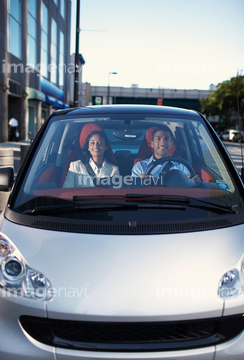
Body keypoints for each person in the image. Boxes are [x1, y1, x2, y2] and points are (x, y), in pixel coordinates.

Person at [131, 125, 201, 183]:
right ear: (152, 144)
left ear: (171, 144)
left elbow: (188, 190)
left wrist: (193, 182)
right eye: (158, 139)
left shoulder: (181, 166)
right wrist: (139, 182)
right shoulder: (140, 167)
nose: (162, 143)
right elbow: (133, 192)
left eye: (166, 139)